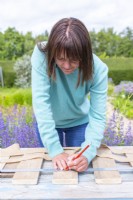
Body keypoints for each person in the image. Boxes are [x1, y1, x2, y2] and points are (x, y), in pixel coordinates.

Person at [31, 17, 108, 172]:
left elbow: (98, 116)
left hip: (80, 122)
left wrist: (87, 153)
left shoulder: (98, 69)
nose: (66, 66)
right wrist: (55, 151)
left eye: (74, 60)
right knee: (54, 170)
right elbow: (41, 105)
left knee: (79, 169)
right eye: (60, 59)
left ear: (84, 55)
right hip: (49, 122)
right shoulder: (41, 56)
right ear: (52, 53)